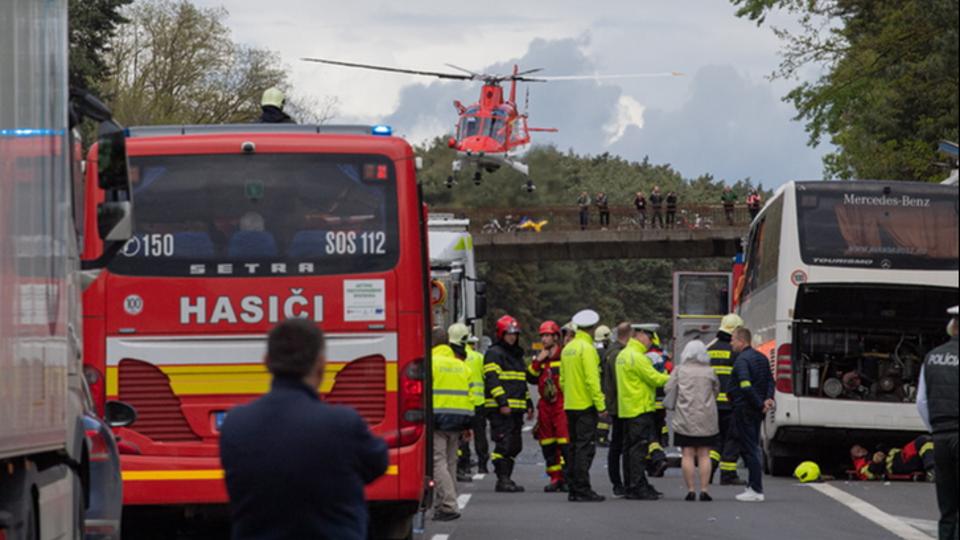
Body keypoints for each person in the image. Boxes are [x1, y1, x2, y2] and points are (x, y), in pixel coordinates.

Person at [220, 319, 388, 540]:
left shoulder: (235, 424)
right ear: (320, 365)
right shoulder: (343, 424)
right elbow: (377, 464)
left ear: (266, 363)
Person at [917, 305, 959, 540]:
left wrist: (936, 429)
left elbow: (921, 401)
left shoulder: (932, 357)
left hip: (941, 437)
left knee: (947, 505)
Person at [616, 326, 670, 500]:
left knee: (629, 450)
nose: (650, 344)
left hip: (627, 408)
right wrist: (673, 376)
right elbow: (654, 379)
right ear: (641, 336)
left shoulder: (623, 355)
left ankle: (632, 484)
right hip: (640, 408)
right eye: (650, 339)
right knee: (638, 450)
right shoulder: (637, 357)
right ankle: (638, 486)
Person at [560, 309, 608, 502]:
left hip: (570, 404)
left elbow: (562, 380)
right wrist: (601, 405)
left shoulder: (568, 348)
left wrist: (570, 394)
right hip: (585, 405)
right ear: (592, 328)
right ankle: (582, 488)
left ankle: (573, 487)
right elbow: (592, 380)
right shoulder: (587, 349)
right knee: (584, 448)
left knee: (573, 447)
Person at [665, 340, 720, 502]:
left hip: (685, 417)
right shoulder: (710, 371)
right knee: (704, 454)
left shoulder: (680, 371)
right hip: (706, 418)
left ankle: (690, 490)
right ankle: (704, 490)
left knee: (687, 454)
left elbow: (668, 388)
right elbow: (716, 390)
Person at [430, 326, 475, 521]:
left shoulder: (430, 362)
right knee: (450, 463)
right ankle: (445, 503)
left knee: (437, 462)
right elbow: (471, 396)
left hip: (438, 419)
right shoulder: (462, 365)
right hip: (459, 420)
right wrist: (468, 426)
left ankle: (448, 505)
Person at [484, 315, 531, 492]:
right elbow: (492, 380)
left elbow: (521, 382)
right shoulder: (494, 353)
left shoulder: (517, 355)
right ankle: (502, 479)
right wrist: (502, 403)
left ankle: (508, 478)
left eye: (515, 334)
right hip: (500, 409)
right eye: (509, 334)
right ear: (501, 334)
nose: (512, 337)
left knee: (515, 445)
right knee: (503, 444)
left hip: (516, 409)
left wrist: (528, 403)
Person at [729, 327, 775, 503]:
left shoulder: (742, 360)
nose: (731, 343)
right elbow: (771, 380)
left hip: (745, 408)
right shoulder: (762, 358)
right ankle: (752, 486)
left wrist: (759, 402)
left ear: (742, 341)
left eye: (733, 340)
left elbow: (745, 385)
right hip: (756, 410)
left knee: (750, 448)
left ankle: (756, 488)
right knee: (752, 445)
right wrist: (768, 399)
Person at [527, 320, 570, 492]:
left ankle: (567, 477)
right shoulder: (540, 358)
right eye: (542, 336)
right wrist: (538, 361)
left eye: (547, 335)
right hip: (545, 407)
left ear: (556, 337)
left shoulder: (564, 356)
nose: (544, 339)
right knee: (547, 445)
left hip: (561, 405)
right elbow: (530, 377)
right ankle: (555, 478)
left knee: (564, 443)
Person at [707, 313, 746, 485]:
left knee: (716, 441)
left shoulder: (708, 348)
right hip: (731, 404)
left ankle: (708, 471)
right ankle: (728, 474)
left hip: (712, 405)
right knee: (732, 439)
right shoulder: (736, 351)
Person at [448, 324, 486, 481]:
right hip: (477, 402)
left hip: (456, 405)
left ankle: (462, 465)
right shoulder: (478, 357)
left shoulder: (449, 358)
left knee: (460, 439)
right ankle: (482, 463)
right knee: (480, 435)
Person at [634, 326, 669, 477]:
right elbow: (669, 372)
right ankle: (654, 462)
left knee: (650, 434)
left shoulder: (644, 356)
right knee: (658, 430)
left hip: (649, 400)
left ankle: (656, 458)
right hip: (662, 401)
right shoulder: (664, 355)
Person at [602, 323, 632, 497]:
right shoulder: (617, 354)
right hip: (619, 405)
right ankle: (618, 483)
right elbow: (619, 381)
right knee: (618, 445)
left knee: (619, 445)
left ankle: (622, 482)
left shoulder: (613, 351)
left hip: (616, 403)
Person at [850, 436, 935, 481]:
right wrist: (875, 462)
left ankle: (934, 470)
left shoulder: (872, 452)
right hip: (897, 463)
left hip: (900, 456)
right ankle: (932, 471)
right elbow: (867, 474)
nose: (861, 450)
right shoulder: (861, 464)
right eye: (858, 451)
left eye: (861, 448)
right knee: (923, 442)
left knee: (926, 442)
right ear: (855, 457)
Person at [594, 324, 613, 447]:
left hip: (595, 385)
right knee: (605, 415)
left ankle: (597, 436)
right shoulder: (606, 353)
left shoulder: (592, 351)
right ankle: (602, 437)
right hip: (604, 386)